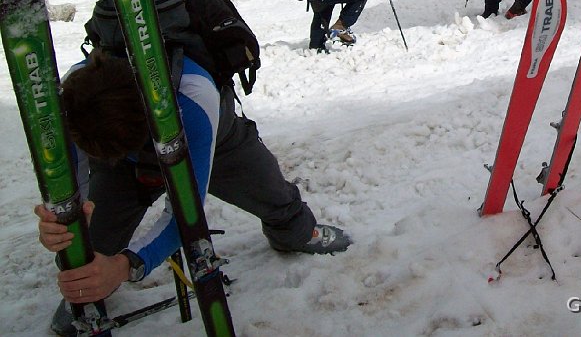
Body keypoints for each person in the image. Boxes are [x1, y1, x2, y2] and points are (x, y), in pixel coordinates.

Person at [37, 50, 350, 336]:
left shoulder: (193, 94)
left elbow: (186, 215)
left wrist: (124, 266)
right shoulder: (74, 102)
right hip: (121, 161)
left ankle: (297, 233)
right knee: (95, 243)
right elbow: (73, 190)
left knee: (272, 193)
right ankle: (86, 289)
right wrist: (65, 226)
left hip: (217, 140)